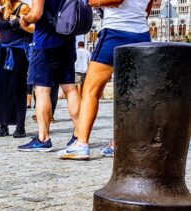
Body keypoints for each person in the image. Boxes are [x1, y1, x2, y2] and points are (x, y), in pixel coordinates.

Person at [59, 0, 153, 160]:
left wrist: (92, 2)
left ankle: (81, 144)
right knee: (130, 94)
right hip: (141, 34)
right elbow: (148, 8)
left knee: (91, 90)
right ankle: (120, 144)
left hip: (116, 32)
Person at [18, 0, 83, 152]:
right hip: (67, 41)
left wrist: (24, 18)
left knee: (42, 90)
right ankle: (80, 134)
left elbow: (36, 14)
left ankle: (43, 138)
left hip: (46, 44)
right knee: (70, 89)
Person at [0, 0, 34, 138]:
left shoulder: (23, 7)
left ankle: (20, 126)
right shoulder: (2, 10)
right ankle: (3, 125)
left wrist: (21, 23)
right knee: (2, 89)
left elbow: (35, 28)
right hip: (2, 52)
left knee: (18, 88)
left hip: (18, 52)